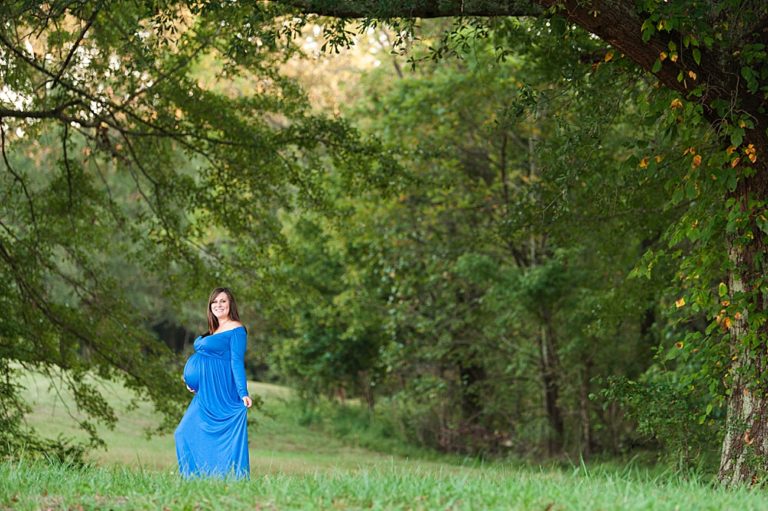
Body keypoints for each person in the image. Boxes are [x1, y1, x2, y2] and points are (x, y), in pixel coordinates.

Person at [174, 287, 253, 479]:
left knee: (209, 435)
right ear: (210, 306)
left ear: (230, 304)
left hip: (221, 390)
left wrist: (243, 392)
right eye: (215, 302)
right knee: (183, 432)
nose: (218, 305)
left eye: (223, 301)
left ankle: (223, 477)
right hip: (205, 392)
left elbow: (236, 361)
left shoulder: (236, 329)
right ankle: (193, 478)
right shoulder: (213, 330)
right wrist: (194, 380)